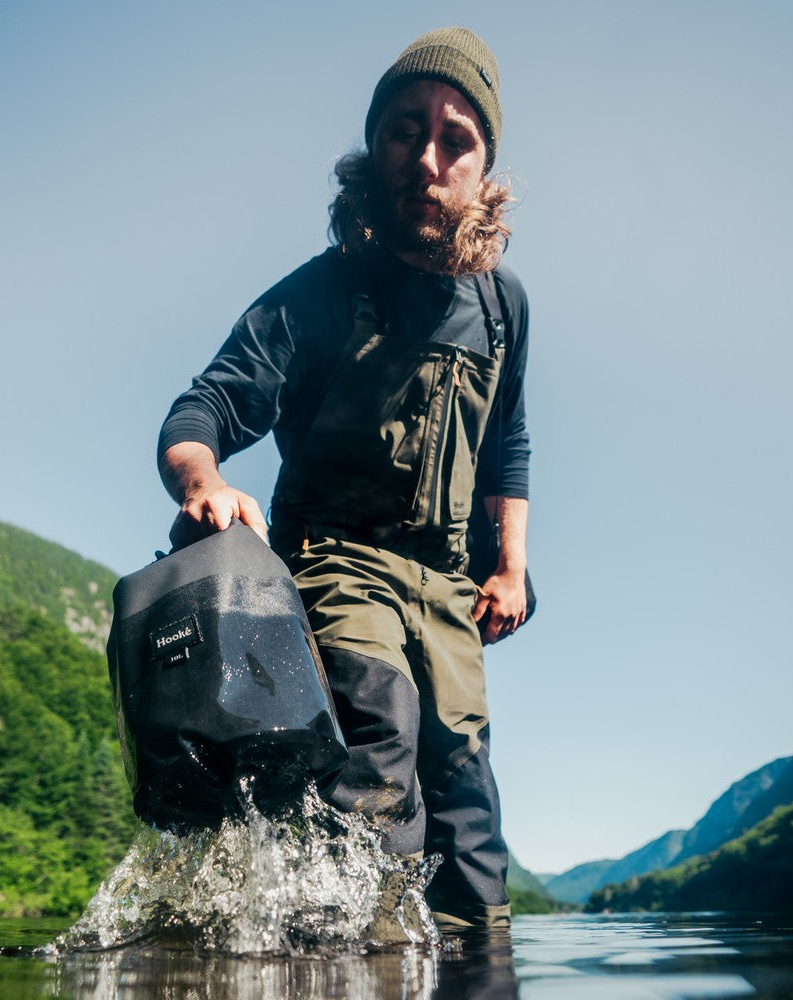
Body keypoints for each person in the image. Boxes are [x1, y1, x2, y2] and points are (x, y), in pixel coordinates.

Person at [157, 26, 530, 930]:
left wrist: (511, 565)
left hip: (446, 585)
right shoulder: (317, 295)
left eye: (456, 138)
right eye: (406, 130)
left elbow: (507, 441)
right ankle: (346, 961)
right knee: (379, 745)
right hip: (334, 561)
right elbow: (199, 413)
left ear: (483, 165)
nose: (429, 156)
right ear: (374, 149)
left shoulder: (502, 304)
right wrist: (202, 482)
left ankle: (474, 969)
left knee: (469, 810)